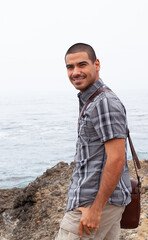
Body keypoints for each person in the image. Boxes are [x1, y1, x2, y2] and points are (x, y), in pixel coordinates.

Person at [55, 43, 132, 240]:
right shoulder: (92, 100)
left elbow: (116, 159)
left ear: (96, 64)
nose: (75, 72)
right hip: (101, 202)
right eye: (70, 67)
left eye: (82, 65)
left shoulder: (103, 103)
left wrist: (96, 209)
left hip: (94, 204)